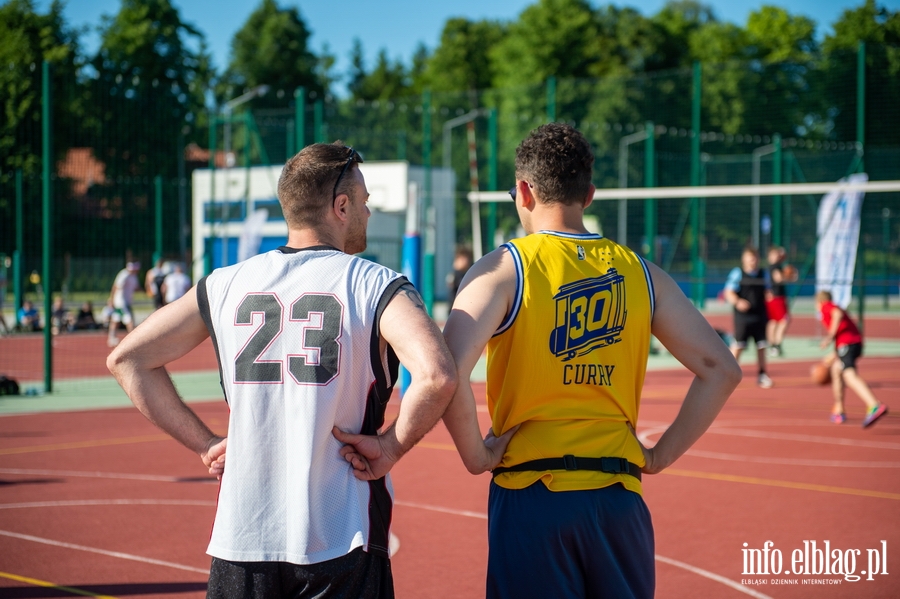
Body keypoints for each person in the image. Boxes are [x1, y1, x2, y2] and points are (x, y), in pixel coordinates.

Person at [107, 142, 458, 599]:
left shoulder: (225, 283)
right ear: (342, 205)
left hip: (243, 538)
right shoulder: (374, 284)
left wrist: (207, 444)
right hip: (341, 533)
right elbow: (437, 374)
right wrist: (390, 446)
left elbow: (126, 359)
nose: (369, 213)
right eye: (366, 202)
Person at [425, 123, 740, 599]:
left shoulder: (504, 268)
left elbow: (447, 371)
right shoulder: (641, 272)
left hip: (532, 495)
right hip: (619, 497)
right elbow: (722, 369)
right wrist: (660, 454)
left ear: (524, 192)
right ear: (588, 194)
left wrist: (477, 455)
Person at [816, 290, 888, 427]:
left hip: (848, 344)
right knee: (836, 370)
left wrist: (830, 336)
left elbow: (837, 315)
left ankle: (874, 405)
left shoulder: (827, 306)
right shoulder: (833, 306)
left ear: (819, 302)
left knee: (849, 375)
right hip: (851, 343)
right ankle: (839, 410)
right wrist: (834, 354)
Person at [724, 246, 773, 388]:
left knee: (762, 346)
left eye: (755, 258)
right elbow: (729, 292)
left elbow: (768, 291)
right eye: (750, 258)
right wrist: (737, 301)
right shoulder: (737, 273)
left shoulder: (764, 274)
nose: (753, 261)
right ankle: (728, 375)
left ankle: (763, 374)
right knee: (738, 345)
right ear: (744, 259)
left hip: (760, 315)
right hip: (743, 317)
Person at [765, 246, 797, 357]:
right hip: (777, 298)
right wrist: (789, 277)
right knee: (785, 320)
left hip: (771, 297)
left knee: (773, 321)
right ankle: (777, 344)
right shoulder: (775, 267)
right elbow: (778, 278)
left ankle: (772, 345)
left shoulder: (770, 267)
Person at [108, 261, 140, 347]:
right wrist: (111, 299)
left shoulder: (134, 276)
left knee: (116, 319)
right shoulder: (124, 275)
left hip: (126, 301)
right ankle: (133, 340)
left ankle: (111, 337)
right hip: (121, 302)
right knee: (129, 320)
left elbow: (136, 287)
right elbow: (116, 286)